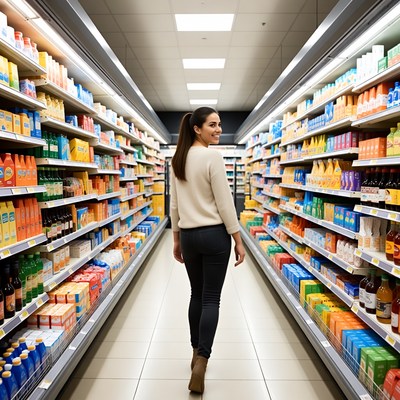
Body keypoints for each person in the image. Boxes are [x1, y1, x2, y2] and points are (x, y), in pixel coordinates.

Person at [170, 106, 245, 394]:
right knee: (212, 298)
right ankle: (202, 359)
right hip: (214, 236)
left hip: (188, 236)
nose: (218, 129)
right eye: (212, 125)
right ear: (197, 129)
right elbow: (225, 204)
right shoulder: (213, 157)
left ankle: (193, 351)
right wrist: (237, 239)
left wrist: (176, 238)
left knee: (196, 295)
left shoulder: (178, 159)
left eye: (220, 124)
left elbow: (174, 204)